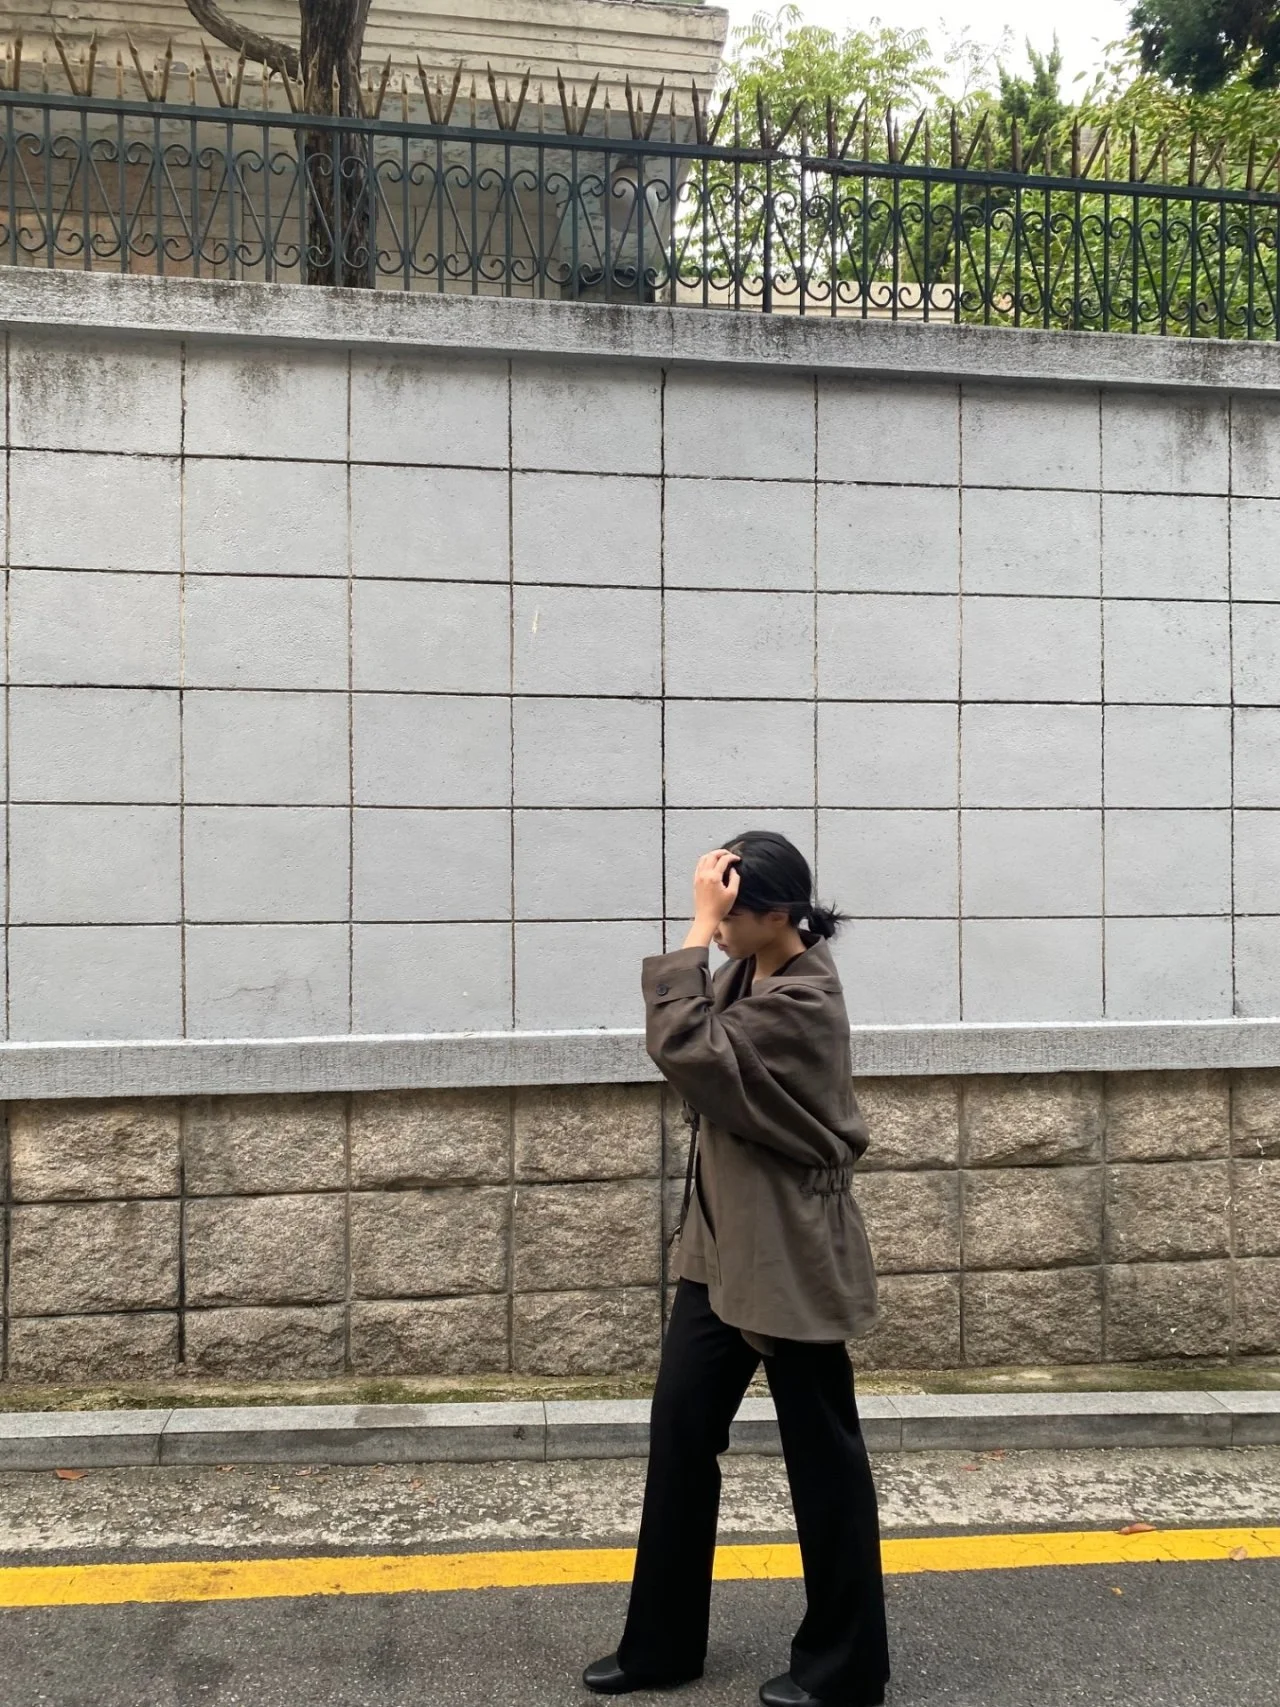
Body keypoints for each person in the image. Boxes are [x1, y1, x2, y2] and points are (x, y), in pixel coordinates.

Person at [583, 830, 889, 1707]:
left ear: (777, 913)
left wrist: (692, 927)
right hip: (720, 1248)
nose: (716, 925)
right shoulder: (745, 975)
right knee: (681, 1432)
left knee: (823, 1459)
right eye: (712, 910)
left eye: (728, 910)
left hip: (791, 1252)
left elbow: (687, 1047)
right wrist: (711, 926)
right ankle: (661, 1646)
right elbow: (699, 1045)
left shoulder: (806, 1002)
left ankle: (845, 1668)